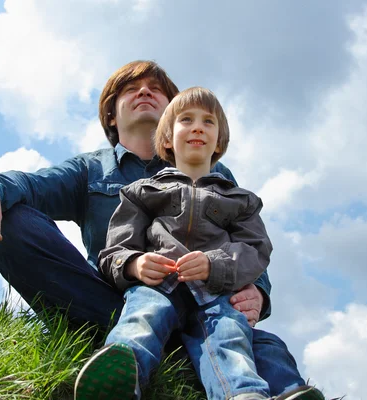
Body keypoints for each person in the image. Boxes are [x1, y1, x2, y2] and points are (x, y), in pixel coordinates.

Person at [0, 60, 322, 399]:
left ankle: (254, 382)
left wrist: (258, 291)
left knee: (265, 343)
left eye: (156, 89)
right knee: (10, 222)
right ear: (112, 115)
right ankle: (125, 353)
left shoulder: (215, 175)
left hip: (204, 305)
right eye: (131, 89)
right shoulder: (91, 169)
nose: (145, 92)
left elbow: (246, 241)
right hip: (118, 302)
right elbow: (31, 184)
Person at [76, 86, 275, 399]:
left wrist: (215, 264)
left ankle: (243, 393)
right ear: (166, 138)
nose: (197, 127)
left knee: (228, 335)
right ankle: (119, 379)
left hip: (213, 292)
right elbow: (116, 246)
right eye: (186, 120)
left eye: (208, 122)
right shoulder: (143, 192)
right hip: (159, 286)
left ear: (219, 141)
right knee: (143, 316)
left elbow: (255, 249)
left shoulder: (240, 200)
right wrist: (134, 264)